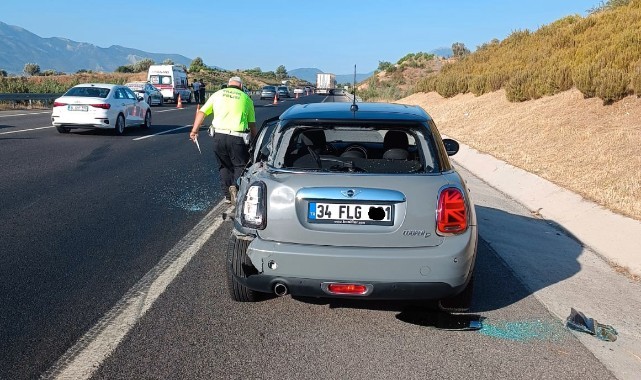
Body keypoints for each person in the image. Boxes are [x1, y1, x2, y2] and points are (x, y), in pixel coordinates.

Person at [190, 76, 257, 204]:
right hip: (237, 137)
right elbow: (252, 124)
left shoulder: (217, 94)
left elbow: (202, 113)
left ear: (228, 85)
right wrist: (256, 139)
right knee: (240, 165)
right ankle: (236, 188)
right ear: (241, 87)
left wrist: (194, 131)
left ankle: (227, 196)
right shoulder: (246, 98)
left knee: (224, 166)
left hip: (218, 136)